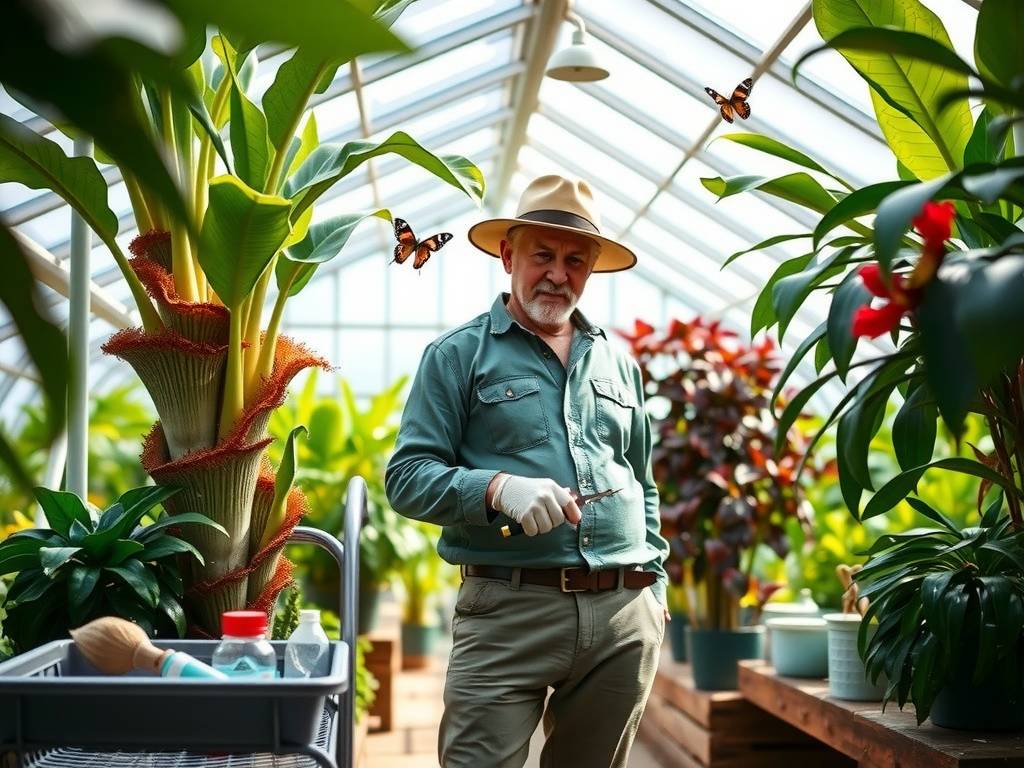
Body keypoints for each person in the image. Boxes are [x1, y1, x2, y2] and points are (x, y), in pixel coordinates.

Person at [385, 173, 669, 768]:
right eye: (543, 255)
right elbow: (407, 477)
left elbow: (641, 481)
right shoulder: (457, 355)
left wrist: (656, 589)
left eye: (575, 260)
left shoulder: (617, 363)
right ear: (508, 256)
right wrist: (496, 487)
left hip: (622, 617)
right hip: (507, 612)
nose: (559, 274)